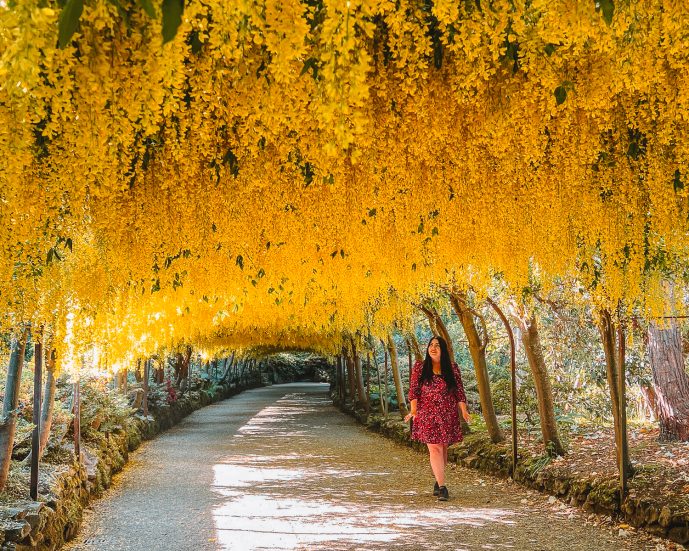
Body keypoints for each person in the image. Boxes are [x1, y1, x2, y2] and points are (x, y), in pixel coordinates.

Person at [404, 336, 470, 501]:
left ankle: (438, 479)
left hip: (447, 414)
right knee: (435, 449)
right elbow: (414, 390)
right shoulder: (420, 367)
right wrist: (413, 410)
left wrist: (464, 411)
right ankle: (442, 487)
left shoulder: (452, 368)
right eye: (431, 345)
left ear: (444, 350)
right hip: (427, 414)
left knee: (443, 448)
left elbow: (459, 391)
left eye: (437, 346)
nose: (433, 348)